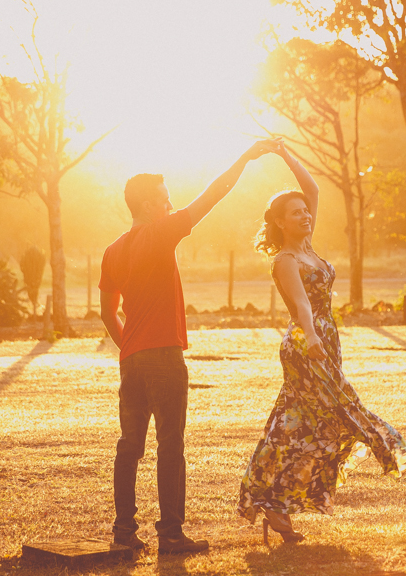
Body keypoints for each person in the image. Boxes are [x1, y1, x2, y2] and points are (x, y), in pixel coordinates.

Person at [100, 140, 275, 553]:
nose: (170, 204)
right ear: (146, 205)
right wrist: (245, 158)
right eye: (164, 199)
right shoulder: (160, 233)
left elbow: (108, 314)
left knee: (129, 447)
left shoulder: (112, 251)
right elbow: (213, 195)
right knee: (170, 445)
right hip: (163, 356)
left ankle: (124, 534)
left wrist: (132, 348)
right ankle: (171, 536)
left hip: (132, 359)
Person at [237, 140, 406, 547]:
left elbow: (312, 190)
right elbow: (300, 304)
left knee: (297, 422)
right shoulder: (285, 259)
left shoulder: (307, 247)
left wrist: (284, 154)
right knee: (339, 410)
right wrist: (313, 335)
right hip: (306, 343)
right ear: (281, 222)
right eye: (295, 213)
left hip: (324, 341)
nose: (305, 216)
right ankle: (386, 444)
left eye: (305, 212)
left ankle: (271, 501)